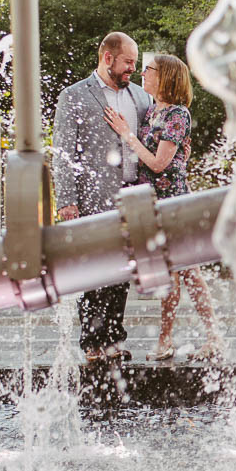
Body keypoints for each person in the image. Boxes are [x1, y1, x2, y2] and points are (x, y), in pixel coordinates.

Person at [104, 53, 223, 363]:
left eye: (149, 69)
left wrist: (125, 134)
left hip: (174, 203)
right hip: (153, 204)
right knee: (174, 272)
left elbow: (158, 163)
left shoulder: (177, 115)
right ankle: (169, 339)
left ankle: (210, 337)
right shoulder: (153, 111)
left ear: (166, 76)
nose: (143, 73)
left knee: (189, 271)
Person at [52, 31, 154, 363]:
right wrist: (67, 198)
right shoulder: (74, 96)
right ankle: (91, 343)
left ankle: (114, 339)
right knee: (94, 270)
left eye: (135, 64)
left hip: (131, 195)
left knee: (123, 270)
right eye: (127, 62)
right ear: (107, 58)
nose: (131, 69)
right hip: (92, 197)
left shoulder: (140, 97)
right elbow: (64, 150)